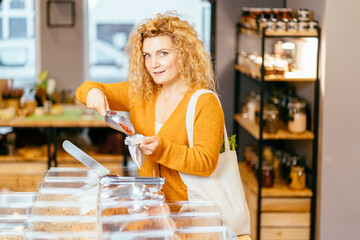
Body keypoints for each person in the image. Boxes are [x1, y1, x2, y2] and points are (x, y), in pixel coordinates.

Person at [76, 11, 224, 202]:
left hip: (190, 212)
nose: (154, 64)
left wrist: (161, 149)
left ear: (184, 54)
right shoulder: (141, 92)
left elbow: (205, 163)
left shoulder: (204, 102)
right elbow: (85, 89)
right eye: (147, 55)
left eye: (163, 53)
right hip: (151, 207)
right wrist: (92, 93)